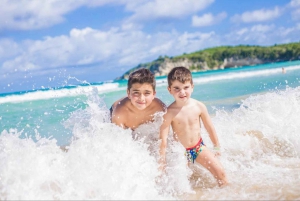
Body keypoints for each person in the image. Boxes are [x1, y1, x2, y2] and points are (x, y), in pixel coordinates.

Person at [159, 66, 228, 187]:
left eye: (186, 87)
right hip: (180, 152)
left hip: (198, 148)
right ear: (169, 90)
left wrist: (217, 147)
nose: (182, 92)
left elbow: (210, 128)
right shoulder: (169, 112)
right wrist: (162, 161)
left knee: (221, 173)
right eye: (177, 88)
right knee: (183, 185)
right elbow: (163, 139)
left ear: (192, 87)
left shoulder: (199, 106)